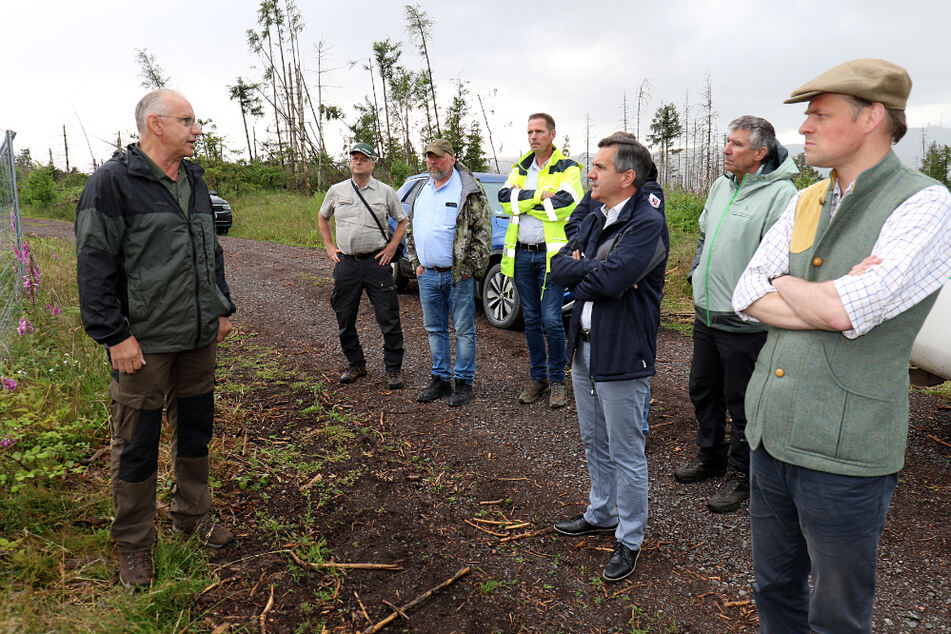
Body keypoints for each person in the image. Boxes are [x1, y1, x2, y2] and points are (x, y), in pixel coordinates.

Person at [732, 59, 951, 632]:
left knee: (837, 612)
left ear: (873, 116)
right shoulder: (805, 198)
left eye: (819, 114)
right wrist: (806, 291)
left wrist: (797, 289)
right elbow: (745, 293)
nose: (803, 128)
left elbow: (845, 308)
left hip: (847, 451)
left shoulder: (925, 203)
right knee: (774, 589)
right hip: (770, 432)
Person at [75, 89, 237, 588]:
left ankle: (191, 516)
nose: (197, 129)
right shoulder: (112, 183)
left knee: (195, 430)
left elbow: (209, 251)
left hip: (196, 335)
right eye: (188, 120)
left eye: (197, 121)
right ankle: (133, 544)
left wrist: (220, 305)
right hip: (143, 343)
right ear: (154, 124)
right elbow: (94, 265)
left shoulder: (192, 177)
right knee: (137, 443)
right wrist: (114, 335)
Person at [550, 132, 668, 582]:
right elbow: (562, 265)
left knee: (626, 451)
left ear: (627, 177)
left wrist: (590, 274)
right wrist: (591, 273)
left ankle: (630, 537)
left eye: (598, 167)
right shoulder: (600, 214)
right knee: (593, 440)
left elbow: (613, 280)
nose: (590, 173)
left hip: (622, 352)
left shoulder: (647, 224)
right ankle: (601, 512)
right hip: (584, 347)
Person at [673, 116, 797, 513]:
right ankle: (711, 457)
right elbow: (706, 234)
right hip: (707, 313)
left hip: (746, 321)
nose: (726, 150)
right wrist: (695, 274)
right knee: (703, 389)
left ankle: (742, 474)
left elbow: (781, 263)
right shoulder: (720, 186)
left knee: (742, 399)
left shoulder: (782, 195)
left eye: (736, 144)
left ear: (760, 152)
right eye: (727, 142)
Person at [498, 113, 583, 408]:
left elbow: (565, 205)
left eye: (539, 132)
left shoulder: (568, 168)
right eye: (530, 132)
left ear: (552, 135)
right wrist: (538, 196)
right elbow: (504, 198)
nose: (533, 137)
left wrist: (524, 203)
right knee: (531, 320)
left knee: (551, 319)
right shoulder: (520, 167)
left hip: (553, 257)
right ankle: (539, 379)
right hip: (522, 253)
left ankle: (558, 380)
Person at [405, 139, 491, 407]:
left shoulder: (468, 190)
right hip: (427, 274)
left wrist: (469, 269)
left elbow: (483, 233)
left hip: (458, 277)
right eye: (429, 157)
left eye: (438, 157)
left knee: (464, 330)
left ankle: (464, 382)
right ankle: (440, 379)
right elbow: (411, 227)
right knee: (435, 329)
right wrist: (415, 263)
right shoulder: (422, 189)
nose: (432, 162)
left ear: (451, 159)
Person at [318, 142, 407, 389]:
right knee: (345, 316)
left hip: (376, 262)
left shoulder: (386, 192)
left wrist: (391, 248)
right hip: (346, 262)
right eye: (354, 157)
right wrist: (329, 246)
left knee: (388, 317)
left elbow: (402, 221)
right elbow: (323, 216)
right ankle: (356, 364)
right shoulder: (336, 190)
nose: (358, 161)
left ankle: (393, 369)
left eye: (363, 158)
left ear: (372, 163)